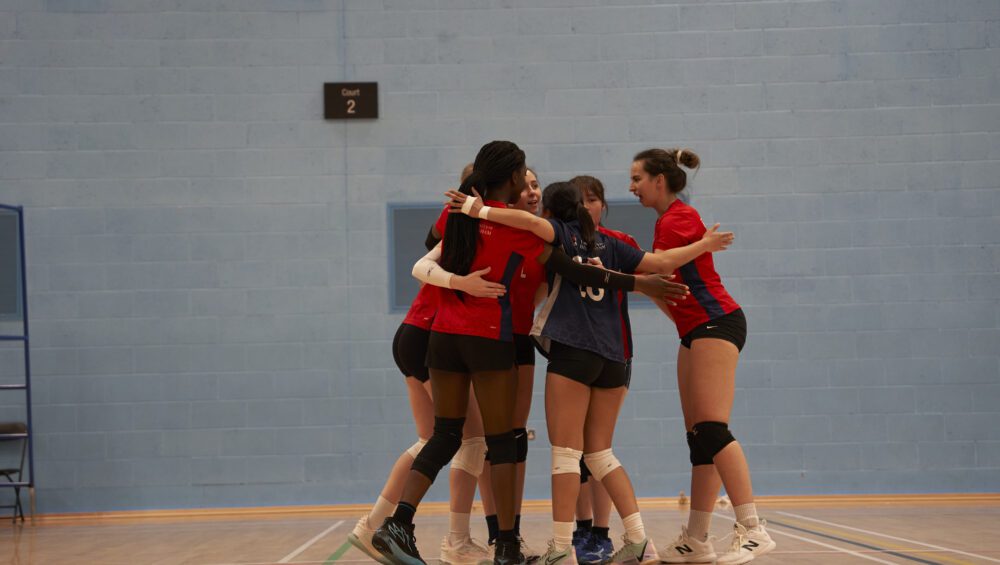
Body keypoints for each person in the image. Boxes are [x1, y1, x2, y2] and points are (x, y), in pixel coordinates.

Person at [373, 141, 681, 565]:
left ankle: (398, 524)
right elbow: (571, 268)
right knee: (502, 443)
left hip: (442, 337)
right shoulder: (515, 230)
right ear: (514, 178)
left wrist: (460, 278)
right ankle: (505, 546)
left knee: (445, 435)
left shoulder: (455, 213)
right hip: (488, 338)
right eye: (524, 175)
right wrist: (638, 283)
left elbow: (428, 254)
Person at [446, 181, 733, 565]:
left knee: (566, 455)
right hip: (615, 358)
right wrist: (703, 246)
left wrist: (477, 211)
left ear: (549, 211)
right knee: (600, 454)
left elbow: (521, 222)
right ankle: (639, 541)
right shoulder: (612, 243)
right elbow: (664, 264)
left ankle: (561, 548)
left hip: (574, 354)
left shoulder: (559, 234)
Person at [349, 169, 505, 565]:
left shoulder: (472, 233)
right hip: (426, 336)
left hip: (412, 335)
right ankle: (454, 540)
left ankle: (372, 525)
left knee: (428, 440)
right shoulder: (466, 230)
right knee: (468, 440)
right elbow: (422, 265)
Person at [629, 148, 775, 565]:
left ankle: (752, 527)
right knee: (698, 438)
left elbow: (654, 268)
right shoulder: (667, 221)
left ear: (660, 179)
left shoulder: (679, 219)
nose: (631, 186)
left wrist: (606, 265)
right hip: (693, 330)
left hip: (717, 322)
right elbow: (661, 283)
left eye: (637, 177)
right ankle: (696, 538)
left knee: (712, 428)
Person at [568, 175, 636, 565]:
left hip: (614, 354)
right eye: (580, 200)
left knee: (598, 450)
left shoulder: (618, 242)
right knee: (572, 451)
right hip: (574, 356)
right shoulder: (559, 241)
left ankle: (602, 533)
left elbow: (648, 274)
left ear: (603, 205)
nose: (587, 206)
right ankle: (581, 529)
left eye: (593, 199)